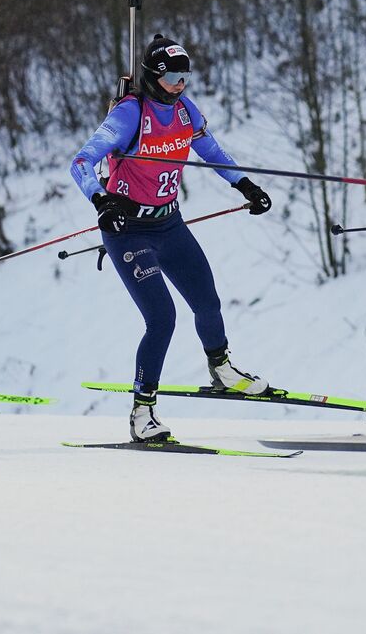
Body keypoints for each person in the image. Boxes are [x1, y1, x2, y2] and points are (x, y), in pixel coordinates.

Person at [70, 34, 274, 442]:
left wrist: (245, 185)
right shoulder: (131, 114)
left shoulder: (185, 112)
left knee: (207, 301)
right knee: (162, 319)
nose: (180, 84)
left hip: (170, 224)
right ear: (153, 76)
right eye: (172, 76)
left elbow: (212, 151)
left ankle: (221, 370)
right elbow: (81, 161)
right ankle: (142, 411)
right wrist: (101, 201)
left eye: (186, 75)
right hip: (129, 231)